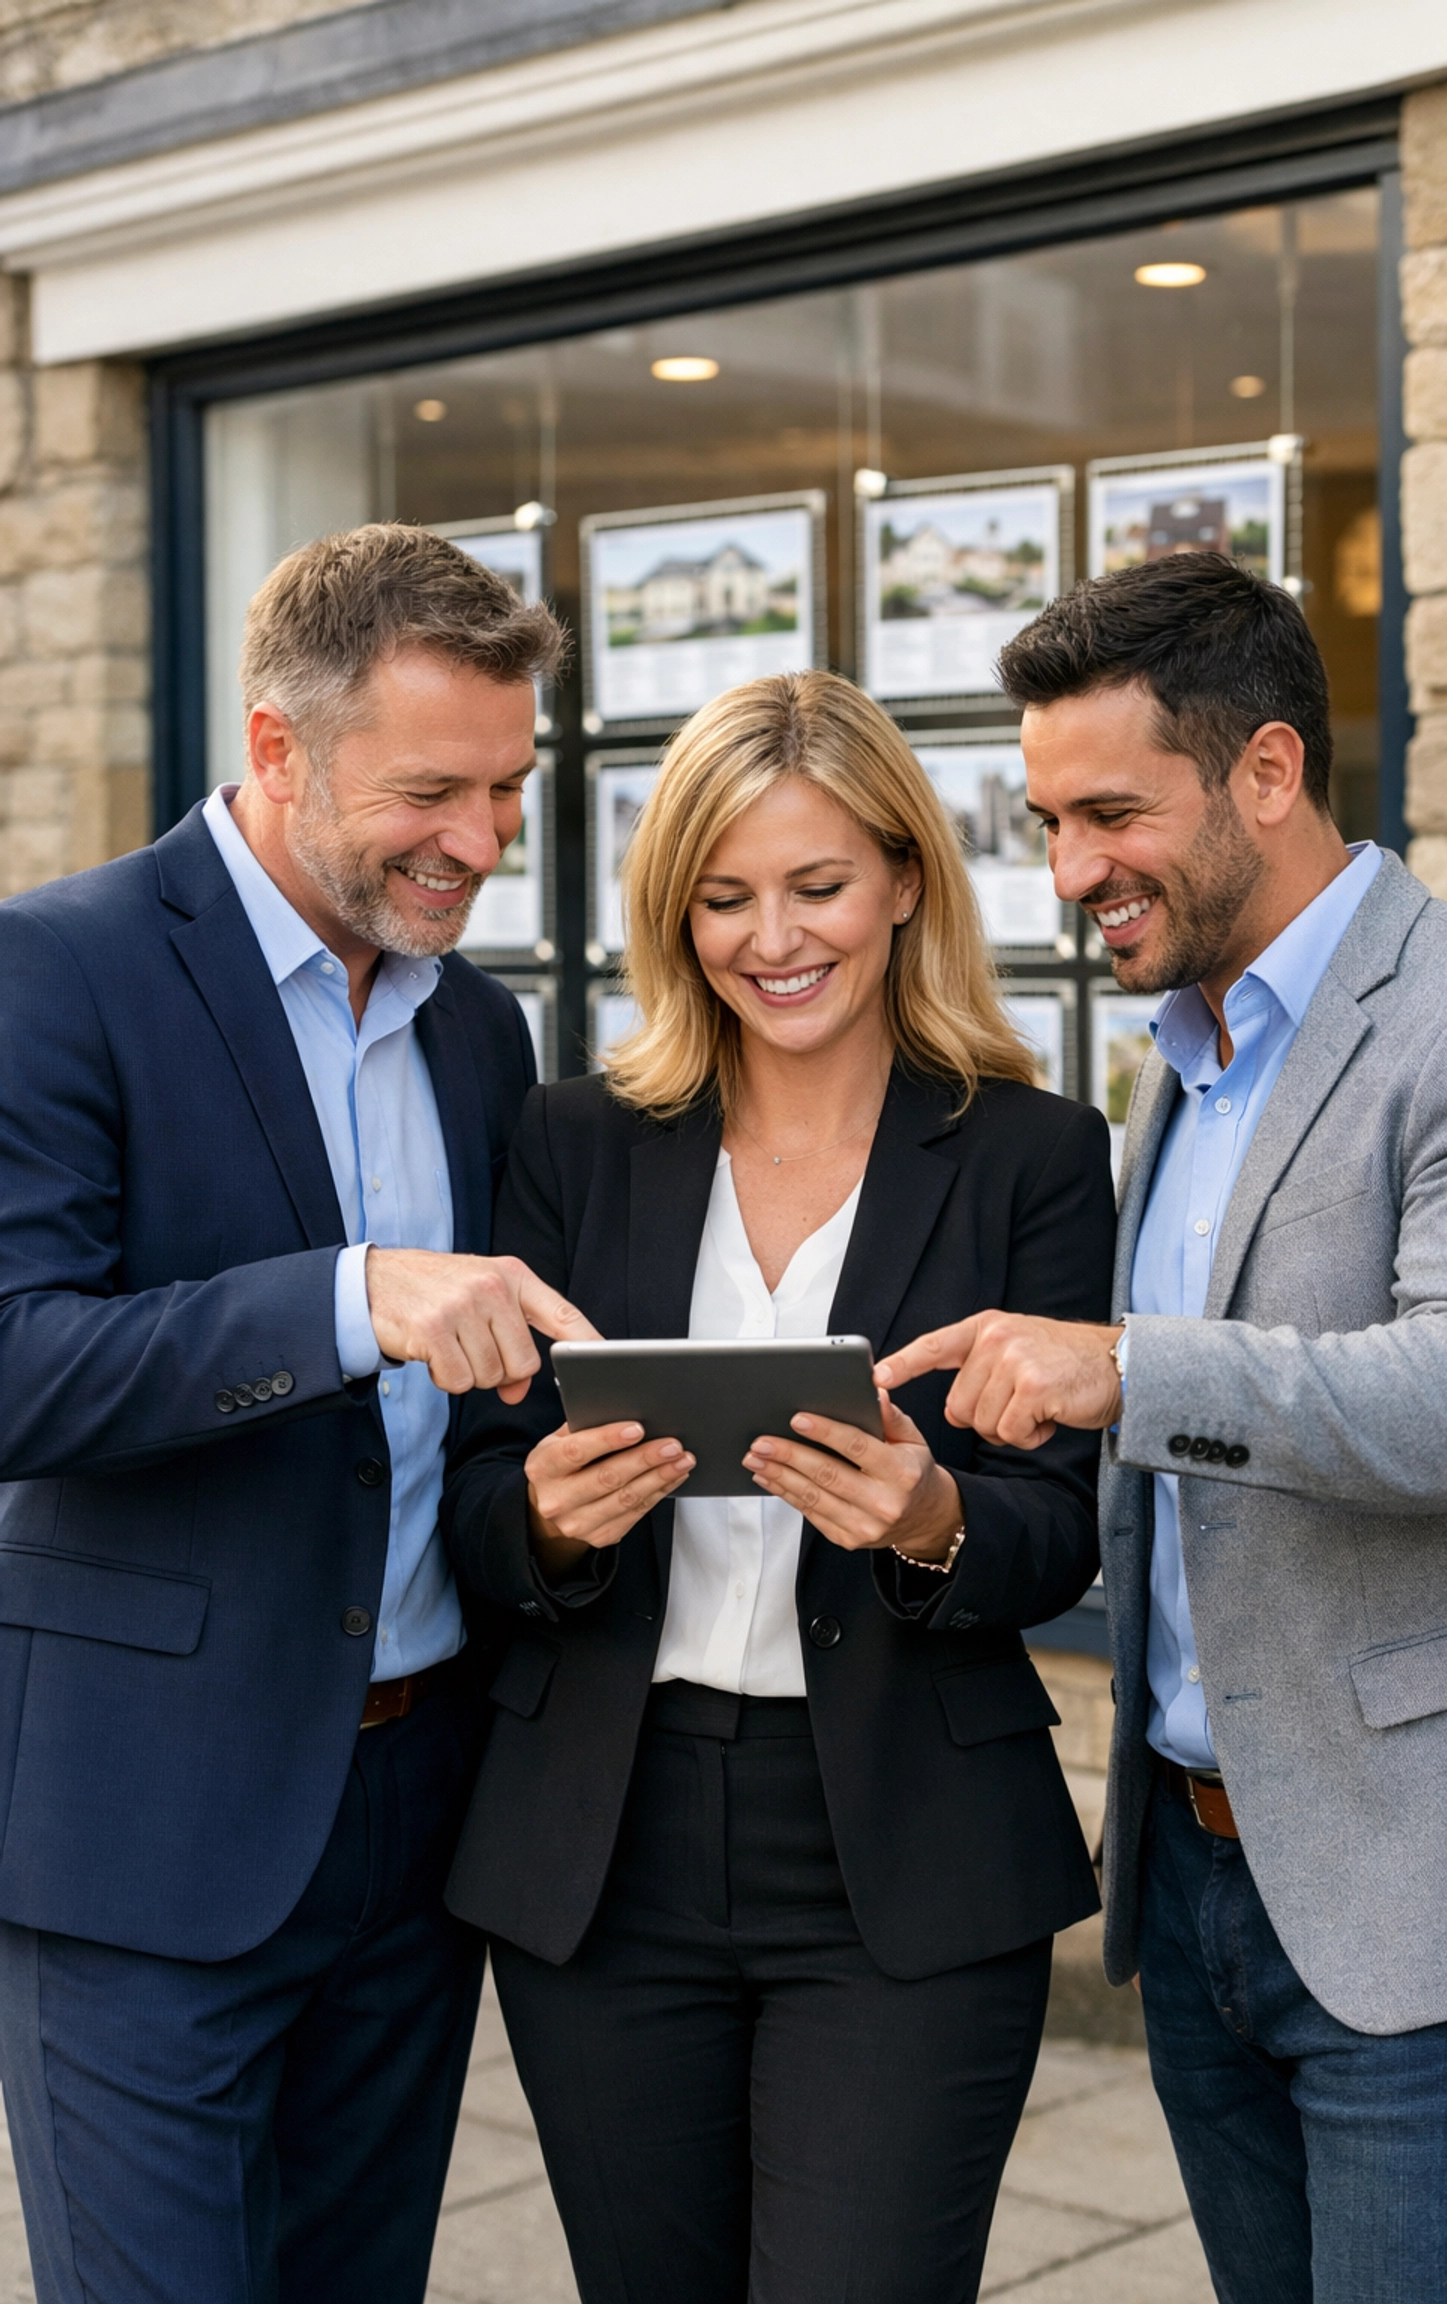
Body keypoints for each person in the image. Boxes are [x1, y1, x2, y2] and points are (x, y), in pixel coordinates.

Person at [875, 552, 1447, 2303]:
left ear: (1266, 770)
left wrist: (1130, 1369)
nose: (1073, 868)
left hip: (1423, 1919)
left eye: (1110, 813)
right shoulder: (1181, 1047)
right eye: (1046, 821)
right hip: (1196, 1894)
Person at [438, 669, 1115, 2304]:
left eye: (816, 886)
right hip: (609, 1842)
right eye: (723, 897)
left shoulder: (1031, 1150)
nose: (773, 937)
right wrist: (545, 1520)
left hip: (901, 1840)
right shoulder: (574, 1138)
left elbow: (1064, 1525)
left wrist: (931, 1519)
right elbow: (468, 1501)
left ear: (901, 878)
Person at [0, 524, 599, 2304]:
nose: (482, 842)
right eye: (432, 790)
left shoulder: (480, 1029)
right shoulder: (54, 970)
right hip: (145, 1830)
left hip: (420, 1815)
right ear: (277, 750)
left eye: (507, 788)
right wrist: (352, 1300)